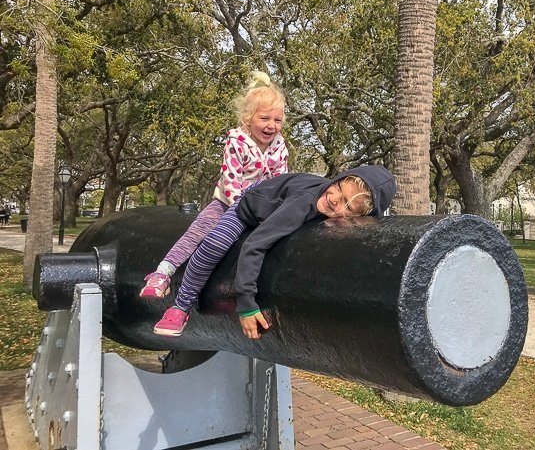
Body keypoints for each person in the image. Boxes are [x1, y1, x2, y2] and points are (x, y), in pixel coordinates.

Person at [152, 165, 396, 339]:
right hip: (250, 205)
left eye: (347, 206)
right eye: (338, 190)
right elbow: (255, 244)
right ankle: (180, 306)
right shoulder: (303, 204)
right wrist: (246, 304)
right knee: (215, 244)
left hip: (277, 201)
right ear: (339, 178)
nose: (334, 201)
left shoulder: (330, 208)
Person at [140, 71, 288, 298]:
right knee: (199, 230)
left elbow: (280, 179)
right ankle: (163, 273)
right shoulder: (237, 142)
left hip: (261, 206)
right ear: (247, 118)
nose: (271, 126)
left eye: (277, 120)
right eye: (264, 119)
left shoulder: (279, 147)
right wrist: (241, 209)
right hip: (229, 203)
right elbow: (230, 179)